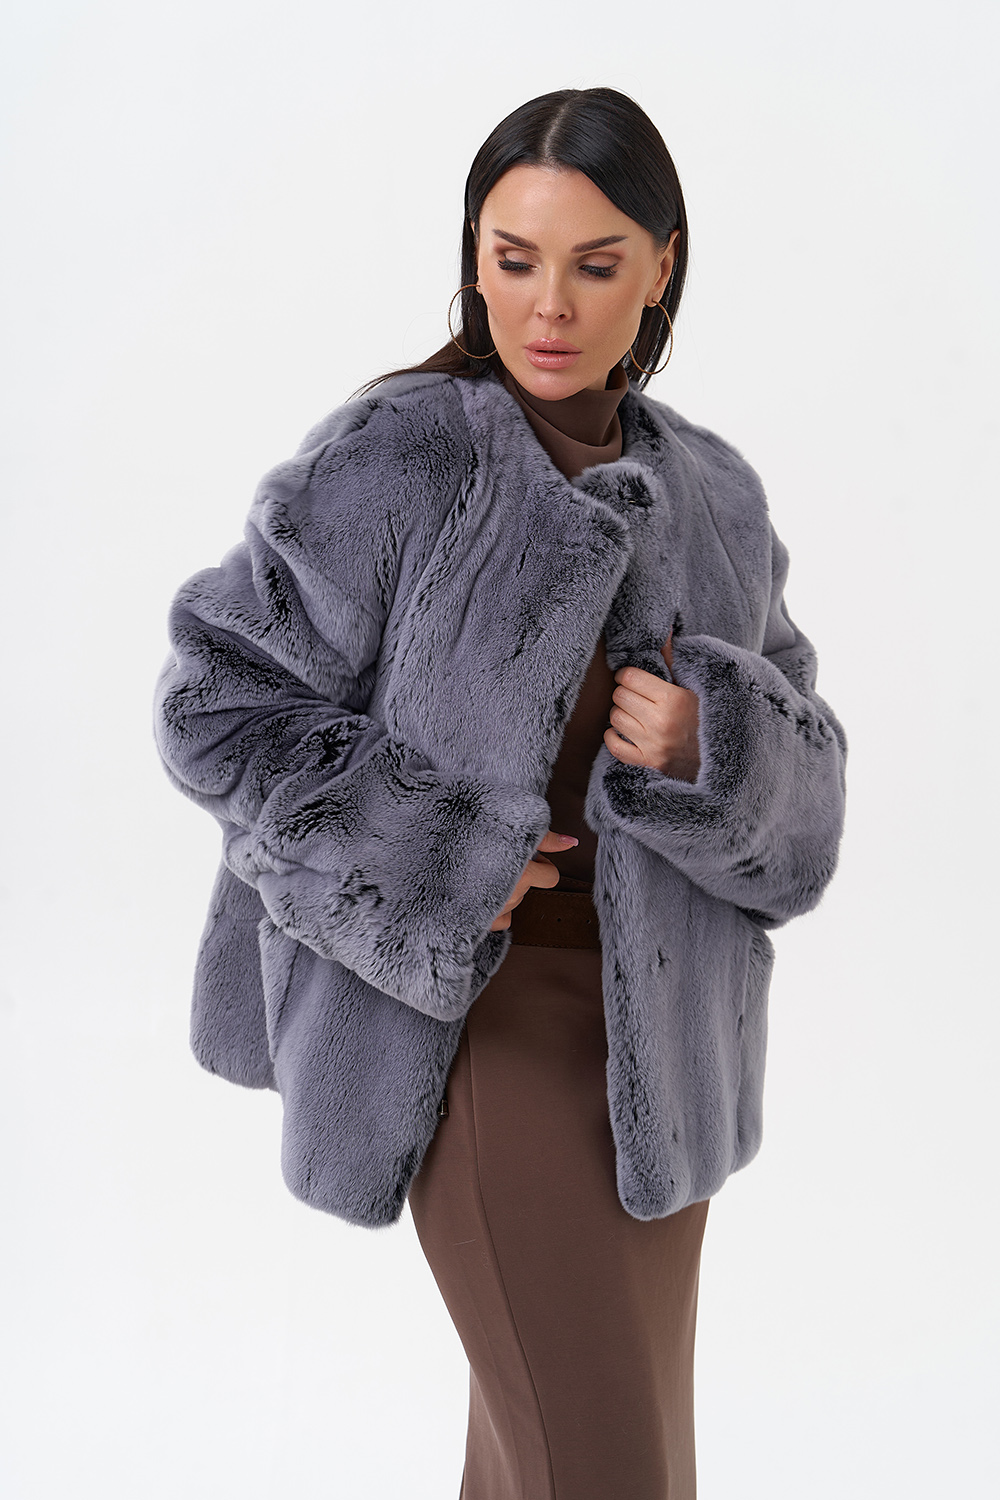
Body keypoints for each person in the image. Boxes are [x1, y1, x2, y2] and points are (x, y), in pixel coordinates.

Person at [153, 87, 847, 1500]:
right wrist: (426, 853)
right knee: (607, 1468)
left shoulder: (715, 497)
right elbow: (215, 703)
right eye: (513, 258)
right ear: (473, 254)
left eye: (596, 263)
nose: (548, 305)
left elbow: (810, 811)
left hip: (664, 1054)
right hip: (469, 1029)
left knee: (582, 1460)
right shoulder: (400, 457)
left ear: (661, 267)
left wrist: (714, 745)